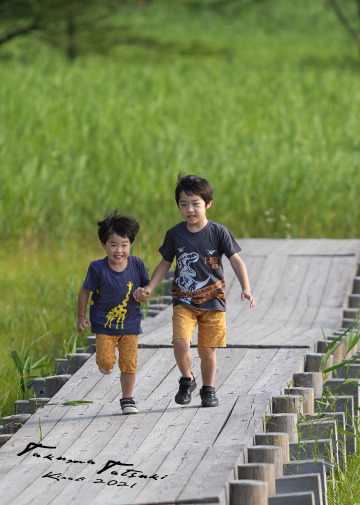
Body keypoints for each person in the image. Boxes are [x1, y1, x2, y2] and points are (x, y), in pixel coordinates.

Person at [134, 173, 255, 408]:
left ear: (208, 204)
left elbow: (236, 260)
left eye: (195, 204)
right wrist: (149, 287)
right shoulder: (175, 234)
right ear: (178, 206)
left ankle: (208, 390)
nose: (190, 210)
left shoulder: (218, 232)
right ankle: (187, 379)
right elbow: (165, 263)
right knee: (181, 342)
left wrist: (246, 288)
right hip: (184, 300)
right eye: (183, 205)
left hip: (213, 302)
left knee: (207, 350)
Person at [77, 210, 149, 415]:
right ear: (103, 245)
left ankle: (127, 399)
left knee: (129, 363)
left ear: (130, 244)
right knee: (106, 362)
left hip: (130, 324)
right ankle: (106, 364)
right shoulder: (97, 268)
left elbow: (146, 291)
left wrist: (143, 295)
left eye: (124, 245)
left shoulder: (136, 264)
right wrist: (82, 317)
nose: (119, 250)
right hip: (104, 325)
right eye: (113, 245)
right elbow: (84, 292)